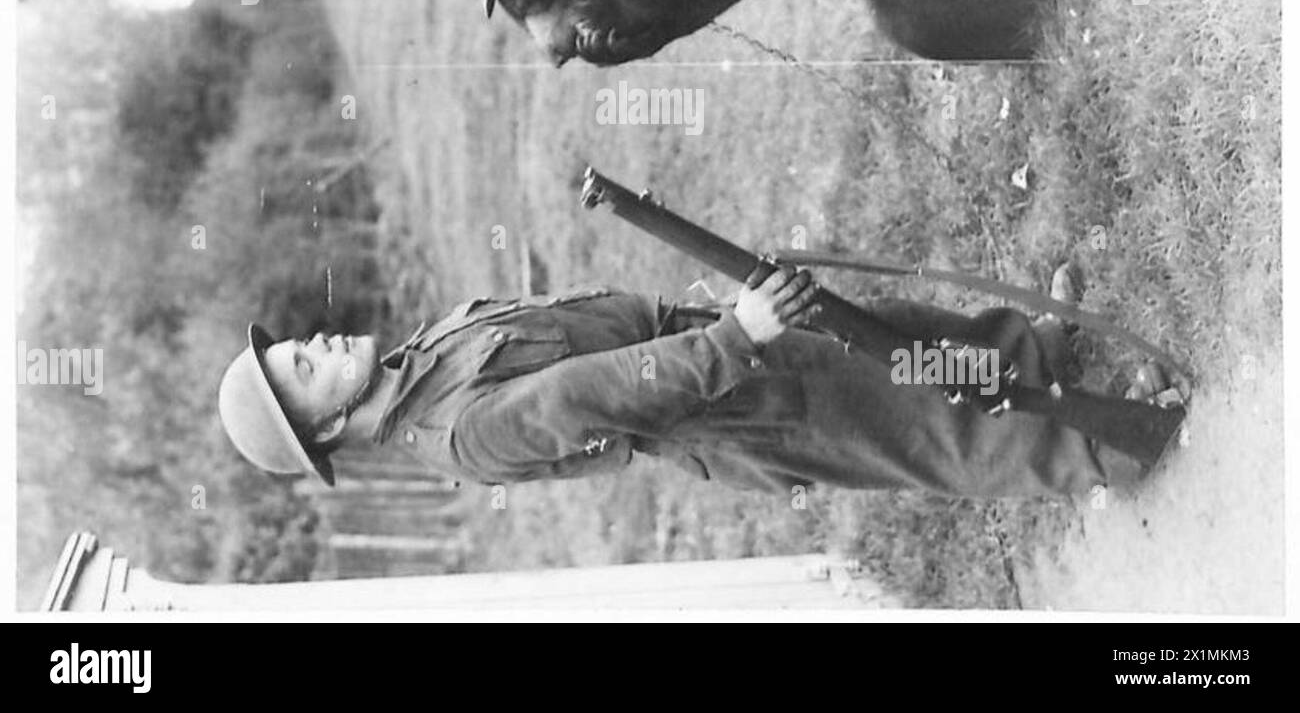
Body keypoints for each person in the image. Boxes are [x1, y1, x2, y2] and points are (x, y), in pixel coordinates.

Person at [219, 265, 1159, 498]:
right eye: (305, 366)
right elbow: (598, 394)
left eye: (296, 341)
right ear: (328, 427)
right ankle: (1108, 445)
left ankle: (1033, 356)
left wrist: (704, 317)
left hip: (708, 339)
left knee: (891, 335)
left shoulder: (421, 355)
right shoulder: (459, 436)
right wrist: (731, 339)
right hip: (730, 403)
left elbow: (580, 324)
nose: (318, 339)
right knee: (912, 426)